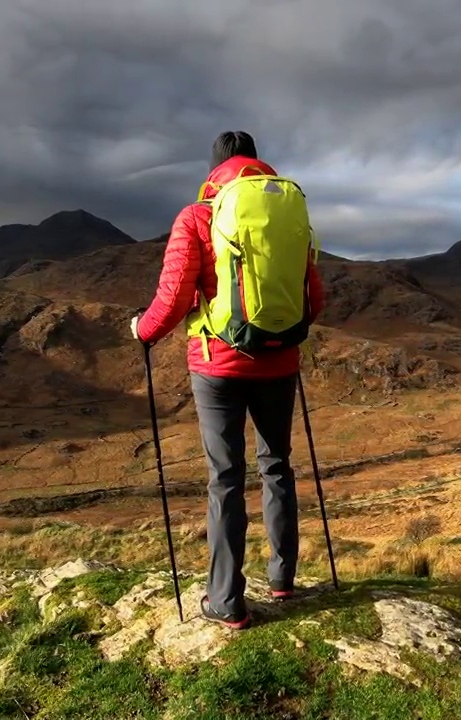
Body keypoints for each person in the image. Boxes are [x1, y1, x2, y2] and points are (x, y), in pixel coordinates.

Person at [131, 130, 326, 629]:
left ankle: (226, 601)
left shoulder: (198, 216)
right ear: (257, 166)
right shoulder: (289, 216)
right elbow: (315, 299)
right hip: (280, 361)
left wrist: (142, 329)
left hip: (217, 364)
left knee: (226, 480)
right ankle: (283, 579)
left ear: (214, 169)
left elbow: (174, 296)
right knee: (277, 466)